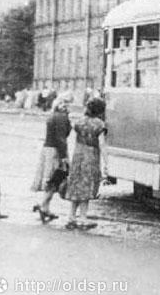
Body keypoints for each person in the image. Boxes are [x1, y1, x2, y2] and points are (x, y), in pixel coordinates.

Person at [64, 97, 108, 230]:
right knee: (87, 186)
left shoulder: (79, 122)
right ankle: (83, 218)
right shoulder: (99, 124)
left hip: (78, 155)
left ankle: (71, 217)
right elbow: (102, 144)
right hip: (91, 156)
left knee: (76, 185)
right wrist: (106, 163)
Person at [31, 94, 73, 223]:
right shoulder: (61, 117)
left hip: (48, 149)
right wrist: (64, 157)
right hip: (55, 151)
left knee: (52, 179)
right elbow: (61, 139)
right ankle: (43, 205)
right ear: (62, 104)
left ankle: (45, 207)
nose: (69, 106)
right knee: (55, 179)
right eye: (67, 103)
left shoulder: (53, 115)